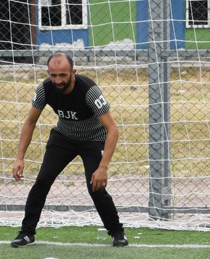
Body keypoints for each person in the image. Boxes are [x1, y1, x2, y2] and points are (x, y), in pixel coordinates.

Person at [11, 52, 127, 248]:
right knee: (42, 181)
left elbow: (113, 129)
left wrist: (103, 167)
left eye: (63, 75)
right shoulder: (44, 90)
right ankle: (27, 233)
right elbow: (30, 122)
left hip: (93, 139)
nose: (58, 80)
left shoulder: (89, 91)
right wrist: (19, 158)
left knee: (96, 188)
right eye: (53, 75)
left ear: (73, 72)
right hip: (63, 138)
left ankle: (117, 232)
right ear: (48, 73)